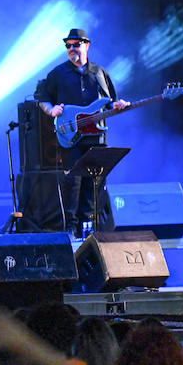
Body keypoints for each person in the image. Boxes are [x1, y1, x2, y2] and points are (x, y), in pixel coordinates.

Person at [34, 28, 127, 237]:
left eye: (76, 45)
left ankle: (90, 228)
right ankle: (70, 229)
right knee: (72, 182)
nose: (71, 49)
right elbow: (42, 98)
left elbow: (110, 101)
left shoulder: (100, 73)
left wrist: (119, 104)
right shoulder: (57, 74)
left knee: (94, 183)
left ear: (87, 45)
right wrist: (52, 110)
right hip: (71, 137)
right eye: (68, 45)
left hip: (96, 136)